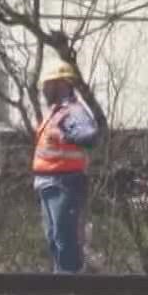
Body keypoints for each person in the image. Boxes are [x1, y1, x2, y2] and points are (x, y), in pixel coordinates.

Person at [33, 60, 100, 273]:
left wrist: (68, 134)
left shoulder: (73, 111)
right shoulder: (55, 112)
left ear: (61, 84)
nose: (44, 89)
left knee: (65, 240)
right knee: (54, 238)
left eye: (48, 84)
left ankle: (70, 286)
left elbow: (89, 135)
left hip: (65, 184)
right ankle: (60, 282)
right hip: (48, 183)